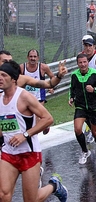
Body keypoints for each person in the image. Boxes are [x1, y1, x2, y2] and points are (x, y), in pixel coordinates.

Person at [0, 60, 68, 202]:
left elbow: (48, 118)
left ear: (13, 79)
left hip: (28, 153)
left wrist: (25, 135)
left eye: (4, 75)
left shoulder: (24, 96)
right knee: (3, 196)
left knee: (31, 199)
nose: (0, 78)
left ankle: (54, 186)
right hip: (8, 153)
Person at [69, 53, 96, 165]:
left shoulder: (95, 74)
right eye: (80, 63)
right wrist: (71, 98)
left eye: (85, 62)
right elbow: (72, 89)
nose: (83, 64)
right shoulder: (74, 75)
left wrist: (94, 90)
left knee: (95, 132)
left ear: (88, 63)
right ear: (77, 64)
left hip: (94, 107)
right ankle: (85, 151)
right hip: (80, 106)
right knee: (77, 129)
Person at [0, 50, 67, 93]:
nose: (8, 64)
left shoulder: (20, 79)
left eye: (10, 61)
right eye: (5, 61)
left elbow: (49, 84)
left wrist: (59, 76)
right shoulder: (22, 67)